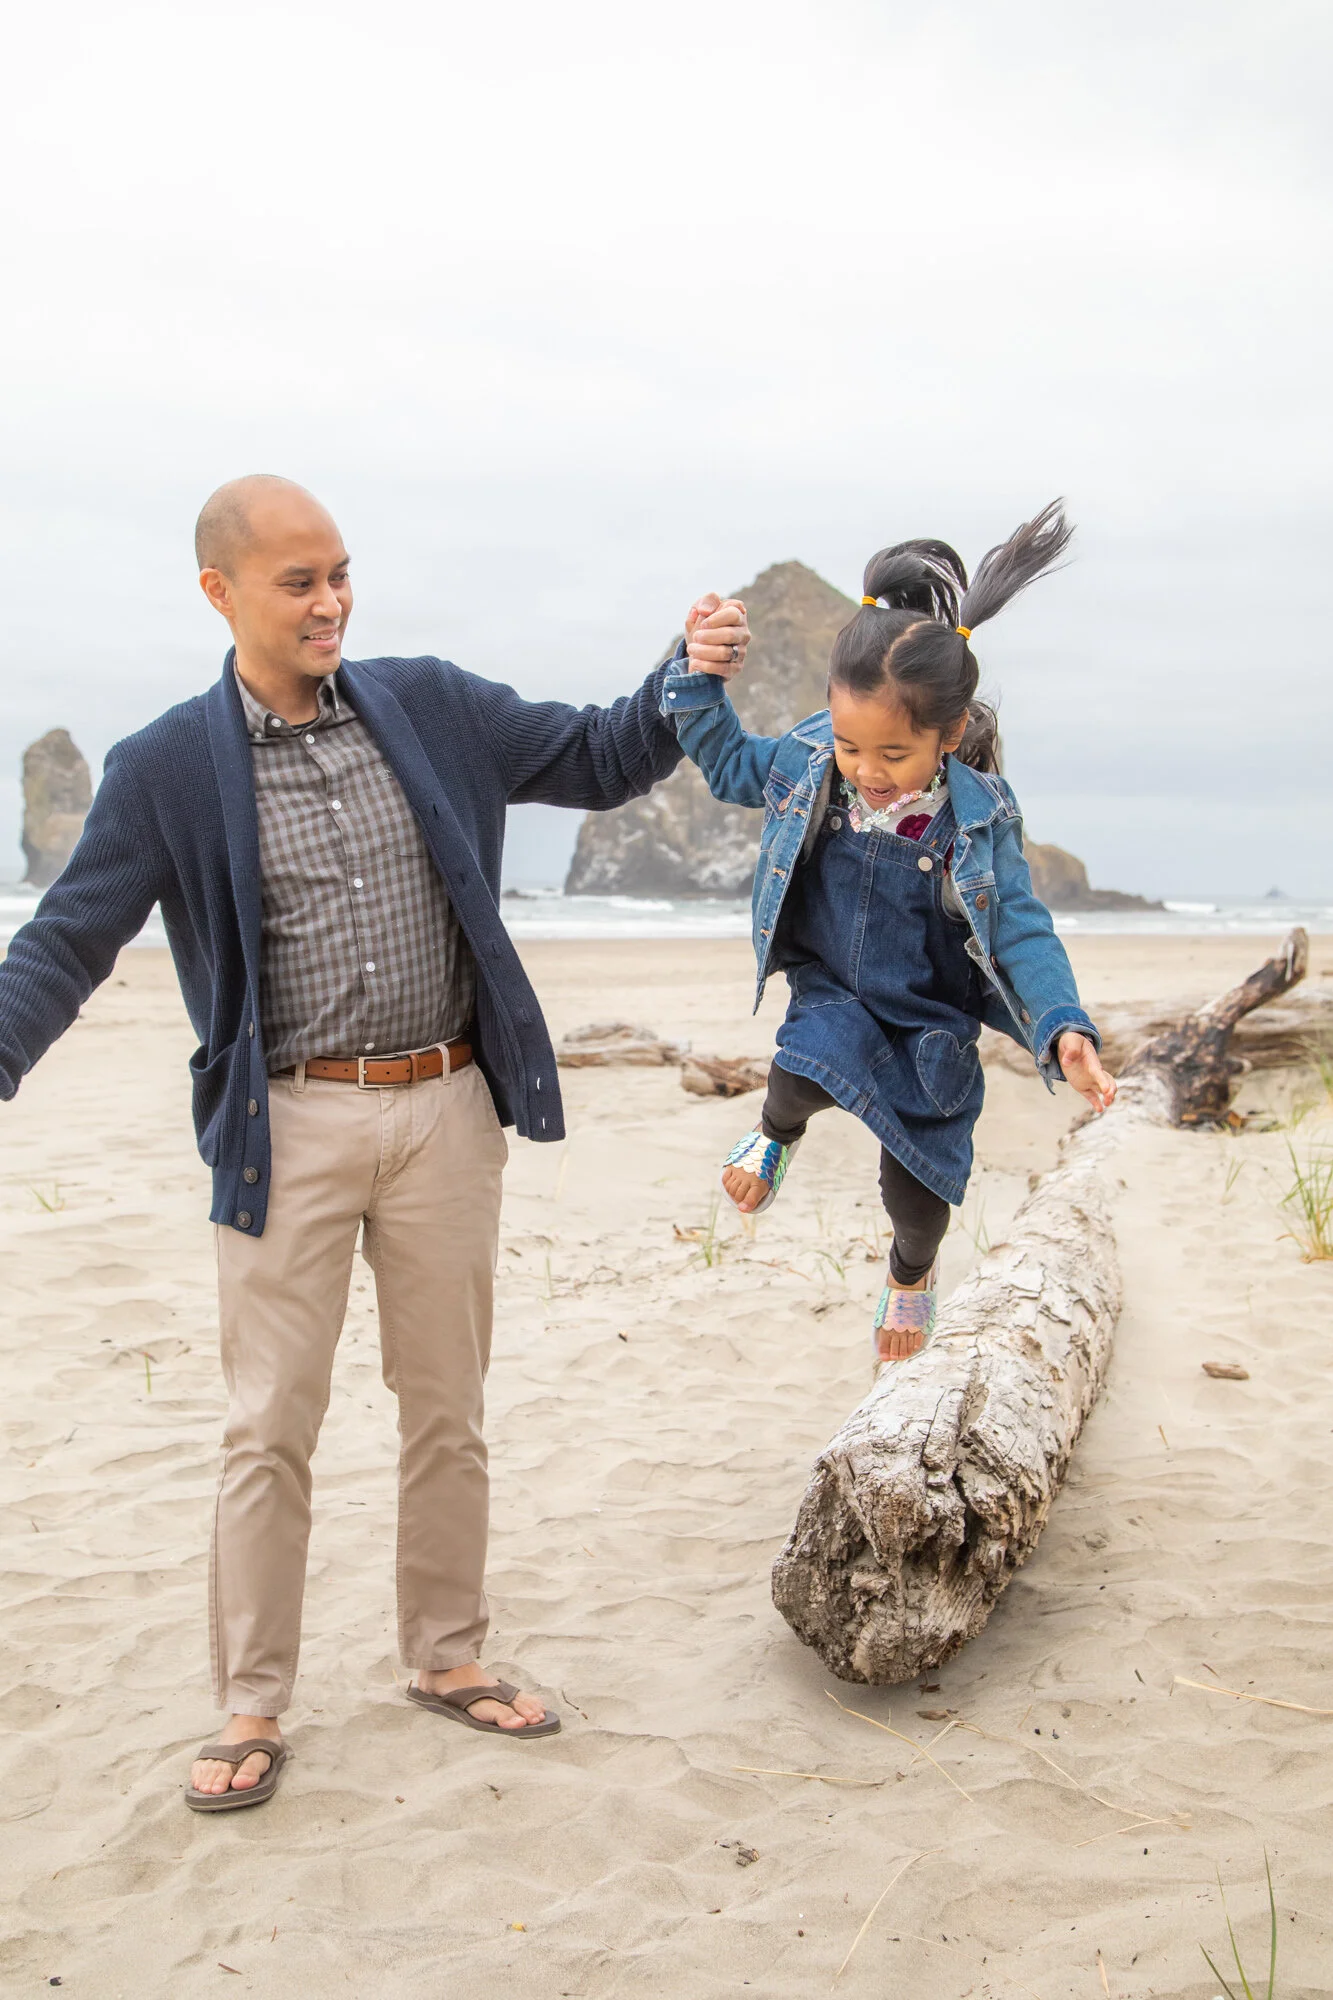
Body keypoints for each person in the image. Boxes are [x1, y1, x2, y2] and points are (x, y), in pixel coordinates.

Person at [0, 474, 749, 1810]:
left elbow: (601, 755)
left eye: (340, 572)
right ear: (221, 592)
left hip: (445, 1107)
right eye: (298, 581)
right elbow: (66, 941)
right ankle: (251, 1703)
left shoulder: (432, 704)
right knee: (267, 1424)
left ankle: (446, 1654)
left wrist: (680, 671)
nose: (330, 601)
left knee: (446, 1407)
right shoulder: (166, 766)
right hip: (282, 1126)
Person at [665, 501, 1116, 1366]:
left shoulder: (979, 819)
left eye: (893, 756)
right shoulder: (809, 762)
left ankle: (911, 1273)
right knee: (798, 1070)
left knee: (916, 1190)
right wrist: (695, 675)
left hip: (928, 1019)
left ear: (949, 736)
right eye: (849, 746)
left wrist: (1062, 1026)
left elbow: (1020, 930)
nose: (867, 772)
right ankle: (775, 1135)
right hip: (836, 987)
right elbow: (725, 761)